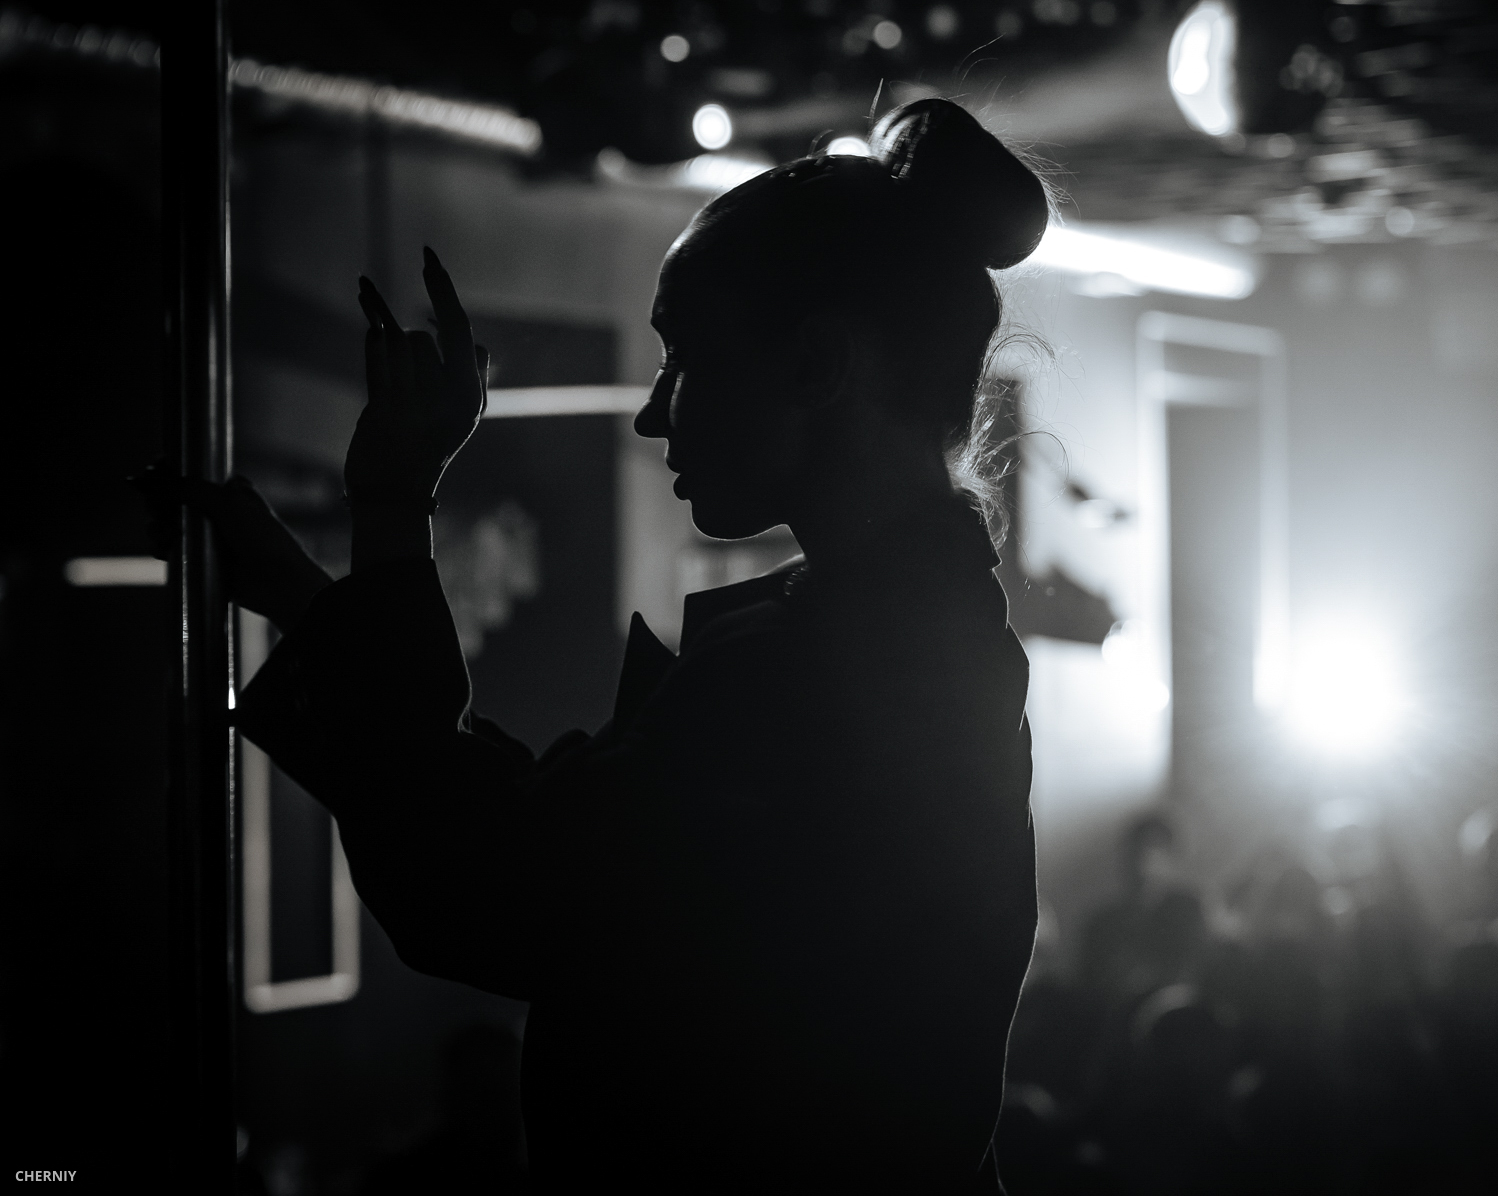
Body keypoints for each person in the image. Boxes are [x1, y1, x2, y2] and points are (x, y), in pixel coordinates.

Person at [193, 99, 1050, 1192]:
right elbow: (555, 839)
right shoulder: (901, 642)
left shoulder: (821, 674)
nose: (653, 413)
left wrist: (393, 503)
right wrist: (316, 602)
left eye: (684, 358)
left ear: (819, 365)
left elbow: (489, 885)